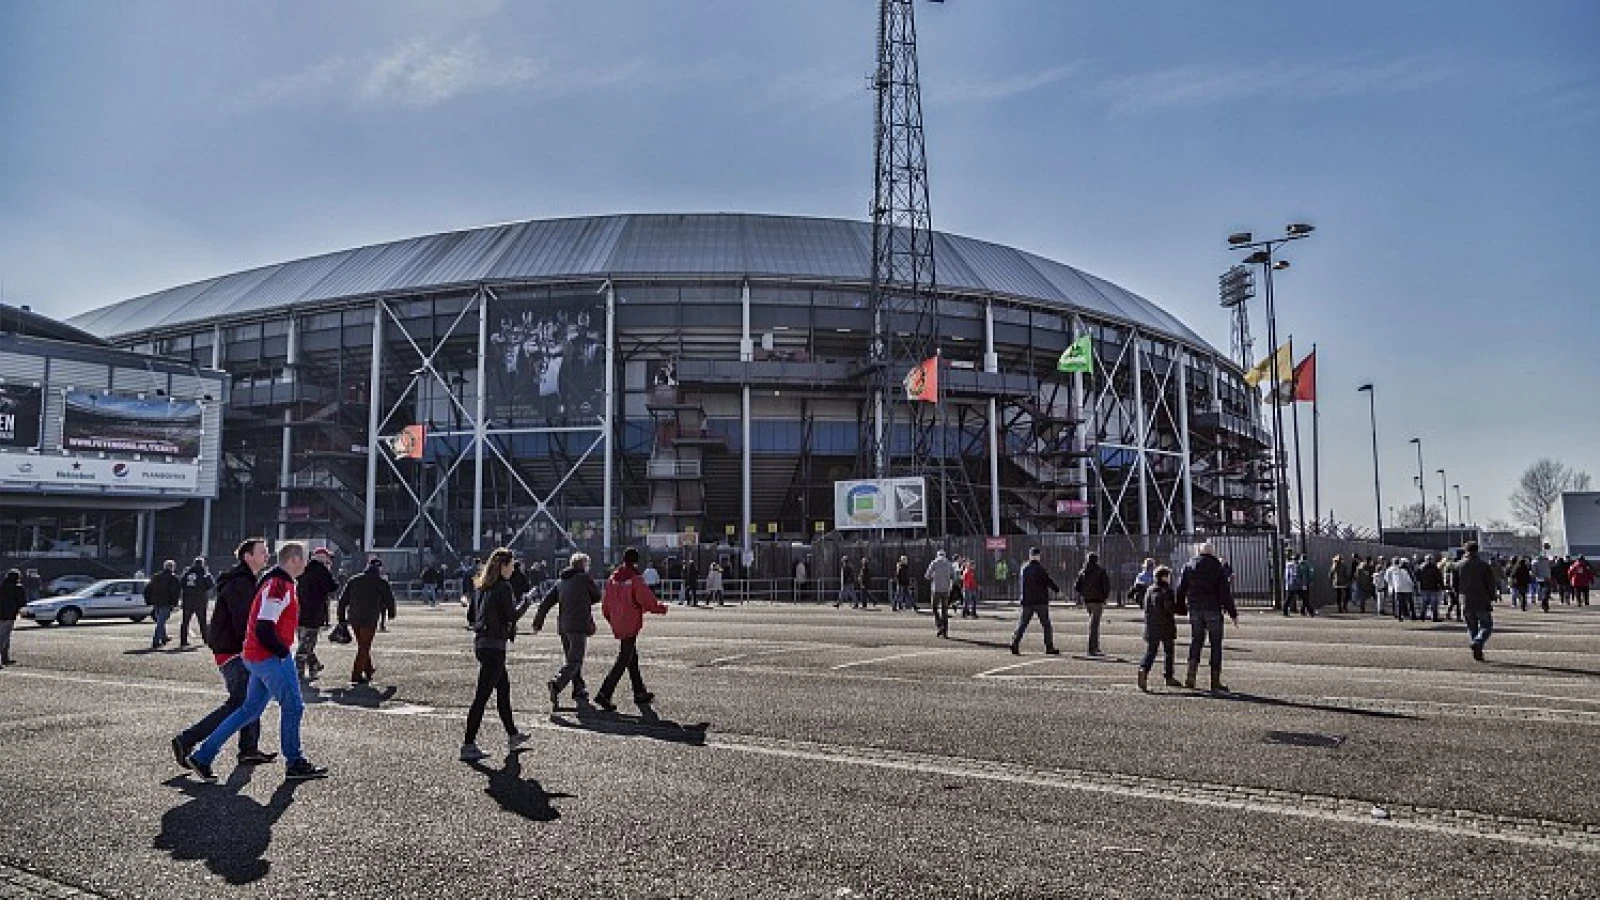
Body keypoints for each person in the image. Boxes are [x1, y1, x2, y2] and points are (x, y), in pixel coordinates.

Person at [184, 541, 329, 782]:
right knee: (293, 706)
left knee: (248, 710)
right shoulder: (279, 585)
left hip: (255, 656)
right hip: (268, 657)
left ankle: (203, 756)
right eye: (305, 558)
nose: (307, 563)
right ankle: (295, 762)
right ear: (293, 560)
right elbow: (264, 625)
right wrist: (283, 653)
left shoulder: (274, 581)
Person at [172, 539, 275, 771]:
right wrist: (259, 647)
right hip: (234, 651)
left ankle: (248, 749)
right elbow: (244, 622)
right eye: (262, 552)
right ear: (248, 556)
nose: (267, 555)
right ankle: (187, 739)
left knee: (251, 700)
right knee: (240, 703)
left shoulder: (247, 580)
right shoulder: (241, 583)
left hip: (235, 649)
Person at [460, 548, 534, 762]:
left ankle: (512, 734)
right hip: (495, 646)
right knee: (482, 697)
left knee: (503, 690)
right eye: (511, 565)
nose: (513, 569)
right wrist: (527, 602)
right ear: (503, 566)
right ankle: (468, 744)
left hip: (482, 644)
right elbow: (511, 616)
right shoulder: (503, 587)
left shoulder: (481, 587)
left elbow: (471, 615)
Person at [595, 547, 668, 711]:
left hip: (618, 620)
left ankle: (639, 691)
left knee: (631, 657)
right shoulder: (635, 578)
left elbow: (605, 604)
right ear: (636, 561)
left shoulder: (613, 578)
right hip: (630, 621)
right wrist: (661, 608)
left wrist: (611, 619)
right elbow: (646, 599)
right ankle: (604, 693)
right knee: (623, 659)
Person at [532, 551, 602, 708]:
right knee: (575, 660)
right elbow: (597, 596)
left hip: (563, 626)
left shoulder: (560, 582)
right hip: (578, 625)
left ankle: (578, 688)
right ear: (583, 565)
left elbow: (545, 603)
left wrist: (538, 623)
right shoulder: (584, 578)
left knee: (571, 659)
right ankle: (556, 684)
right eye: (587, 565)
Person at [1176, 542, 1238, 692]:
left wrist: (1181, 607)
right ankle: (1215, 681)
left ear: (1199, 552)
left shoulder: (1189, 566)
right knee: (1215, 644)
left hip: (1195, 608)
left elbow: (1180, 588)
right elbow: (1225, 593)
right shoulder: (1218, 568)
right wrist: (1233, 614)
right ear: (1212, 552)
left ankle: (1190, 676)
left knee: (1196, 641)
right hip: (1213, 609)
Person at [336, 558, 397, 686]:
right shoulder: (381, 582)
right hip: (369, 618)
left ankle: (368, 670)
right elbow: (389, 599)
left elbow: (342, 600)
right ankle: (356, 675)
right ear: (379, 569)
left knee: (362, 644)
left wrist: (341, 618)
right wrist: (391, 613)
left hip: (354, 618)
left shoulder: (354, 580)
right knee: (364, 646)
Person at [295, 547, 339, 681]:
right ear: (322, 557)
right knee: (306, 644)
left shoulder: (301, 568)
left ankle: (314, 665)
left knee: (304, 642)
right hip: (313, 613)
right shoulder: (320, 570)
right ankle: (298, 672)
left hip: (298, 612)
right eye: (328, 557)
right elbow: (332, 587)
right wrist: (329, 572)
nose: (329, 560)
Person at [1137, 566, 1182, 692]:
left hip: (1151, 625)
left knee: (1151, 651)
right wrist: (1180, 609)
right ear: (1164, 577)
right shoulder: (1167, 591)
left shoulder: (1149, 590)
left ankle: (1144, 669)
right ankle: (1169, 677)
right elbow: (1169, 607)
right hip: (1166, 625)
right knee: (1169, 652)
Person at [1010, 547, 1060, 655]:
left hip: (1027, 600)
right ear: (1038, 556)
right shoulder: (1040, 569)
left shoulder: (1024, 568)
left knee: (1022, 624)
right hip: (1040, 600)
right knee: (1046, 625)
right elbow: (1048, 581)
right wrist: (1057, 590)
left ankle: (1015, 642)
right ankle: (1049, 647)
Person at [1456, 541, 1499, 661]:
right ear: (1477, 550)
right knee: (1486, 626)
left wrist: (1457, 596)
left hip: (1466, 600)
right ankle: (1478, 642)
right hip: (1482, 600)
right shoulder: (1484, 566)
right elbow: (1490, 583)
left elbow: (1453, 583)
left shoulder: (1458, 565)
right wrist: (1492, 596)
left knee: (1471, 627)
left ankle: (1477, 649)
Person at [1073, 552, 1111, 656]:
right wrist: (1105, 597)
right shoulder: (1100, 571)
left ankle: (1095, 646)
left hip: (1087, 600)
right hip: (1098, 600)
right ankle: (1092, 648)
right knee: (1094, 625)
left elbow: (1077, 586)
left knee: (1094, 623)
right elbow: (1106, 586)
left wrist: (1083, 594)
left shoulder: (1083, 571)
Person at [143, 559, 182, 648]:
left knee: (160, 620)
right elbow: (175, 592)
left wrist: (149, 600)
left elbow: (148, 589)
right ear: (172, 567)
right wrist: (175, 603)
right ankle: (156, 641)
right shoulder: (173, 578)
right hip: (166, 602)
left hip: (156, 601)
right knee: (161, 622)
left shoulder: (156, 576)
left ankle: (164, 637)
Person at [178, 557, 214, 648]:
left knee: (185, 622)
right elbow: (210, 585)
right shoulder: (203, 574)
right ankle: (205, 639)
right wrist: (208, 574)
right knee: (202, 621)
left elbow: (181, 584)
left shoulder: (187, 574)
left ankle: (183, 640)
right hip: (200, 601)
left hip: (188, 600)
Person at [925, 550, 955, 638]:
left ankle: (939, 626)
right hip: (946, 589)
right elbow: (953, 576)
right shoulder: (949, 564)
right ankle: (945, 631)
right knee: (944, 610)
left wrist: (934, 577)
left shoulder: (934, 563)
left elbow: (927, 575)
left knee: (934, 607)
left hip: (936, 589)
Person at [0, 569, 23, 667]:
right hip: (9, 615)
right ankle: (4, 659)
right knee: (4, 638)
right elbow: (22, 602)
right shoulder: (18, 588)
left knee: (4, 637)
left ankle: (5, 659)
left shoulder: (1, 586)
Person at [1417, 554, 1446, 623]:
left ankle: (1422, 617)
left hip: (1424, 588)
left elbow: (1418, 578)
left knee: (1424, 604)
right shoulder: (1435, 568)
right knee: (1434, 605)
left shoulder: (1421, 568)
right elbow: (1439, 578)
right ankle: (1434, 618)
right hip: (1433, 588)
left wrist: (1419, 586)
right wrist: (1442, 587)